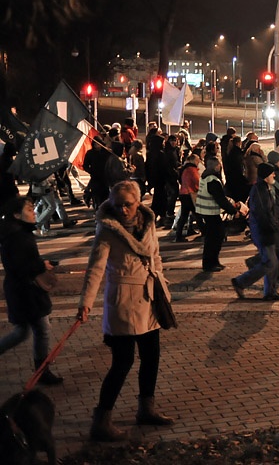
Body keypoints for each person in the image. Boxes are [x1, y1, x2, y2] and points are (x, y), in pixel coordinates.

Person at [77, 180, 175, 442]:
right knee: (123, 362)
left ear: (138, 202)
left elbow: (155, 257)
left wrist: (162, 287)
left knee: (151, 356)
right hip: (123, 301)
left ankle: (146, 409)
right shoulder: (107, 230)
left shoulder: (148, 222)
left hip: (150, 297)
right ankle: (102, 420)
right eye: (117, 205)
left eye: (128, 205)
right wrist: (85, 302)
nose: (122, 210)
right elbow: (95, 268)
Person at [0, 196, 64, 385]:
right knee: (41, 329)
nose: (34, 212)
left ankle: (42, 369)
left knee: (24, 331)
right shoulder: (16, 236)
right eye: (29, 210)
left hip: (22, 290)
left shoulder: (18, 232)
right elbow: (19, 266)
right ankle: (42, 371)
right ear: (16, 214)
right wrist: (41, 264)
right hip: (25, 291)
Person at [231, 163, 279, 301]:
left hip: (266, 230)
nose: (274, 175)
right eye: (272, 173)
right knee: (270, 263)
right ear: (266, 176)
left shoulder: (265, 188)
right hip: (263, 231)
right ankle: (241, 282)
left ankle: (270, 291)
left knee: (272, 262)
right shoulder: (260, 191)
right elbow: (263, 214)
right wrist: (272, 228)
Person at [195, 158, 241, 272]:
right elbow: (220, 199)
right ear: (216, 166)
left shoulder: (205, 176)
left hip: (205, 211)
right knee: (215, 237)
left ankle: (213, 262)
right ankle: (210, 263)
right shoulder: (213, 180)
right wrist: (233, 211)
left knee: (214, 237)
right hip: (210, 212)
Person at [173, 154, 201, 242]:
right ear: (193, 161)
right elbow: (197, 182)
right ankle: (204, 232)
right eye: (197, 160)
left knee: (184, 215)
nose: (198, 162)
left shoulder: (185, 169)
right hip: (190, 194)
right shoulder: (192, 170)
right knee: (197, 214)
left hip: (183, 193)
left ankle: (179, 235)